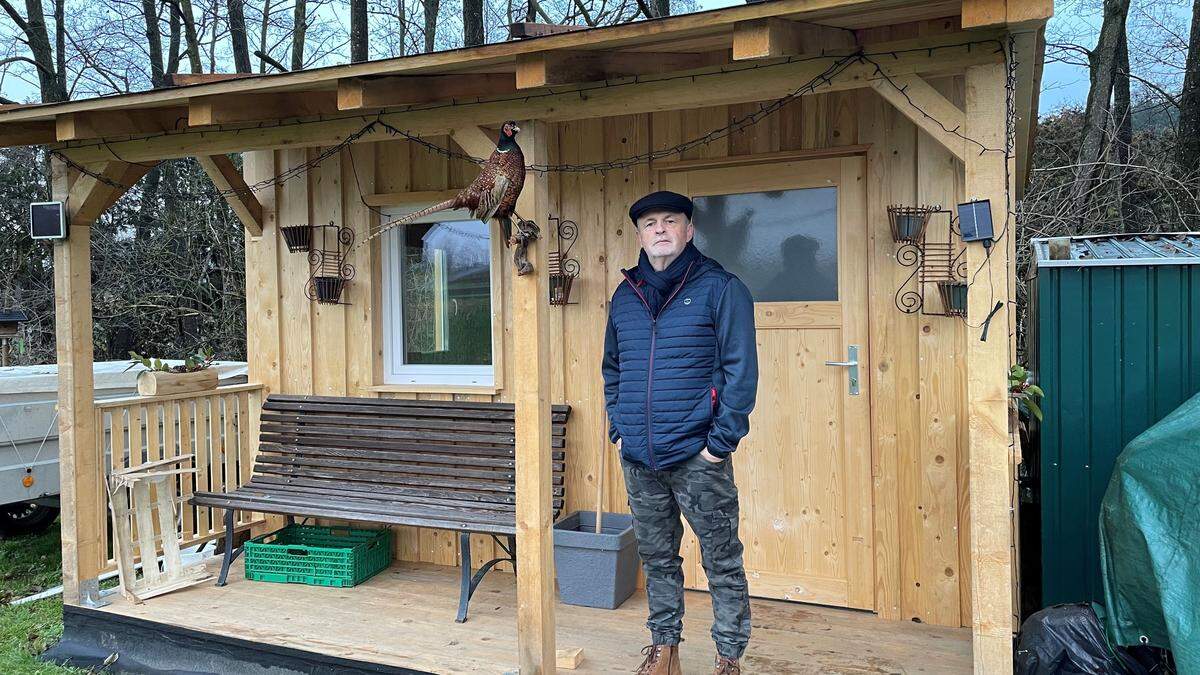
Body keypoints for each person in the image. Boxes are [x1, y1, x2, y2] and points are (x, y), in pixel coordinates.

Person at [601, 190, 759, 675]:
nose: (661, 230)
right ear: (640, 235)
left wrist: (719, 445)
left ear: (690, 230)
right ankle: (664, 650)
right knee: (657, 557)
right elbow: (613, 368)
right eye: (651, 224)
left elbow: (741, 371)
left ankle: (728, 657)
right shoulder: (624, 296)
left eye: (671, 221)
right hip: (641, 458)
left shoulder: (720, 288)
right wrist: (619, 430)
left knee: (721, 559)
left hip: (697, 457)